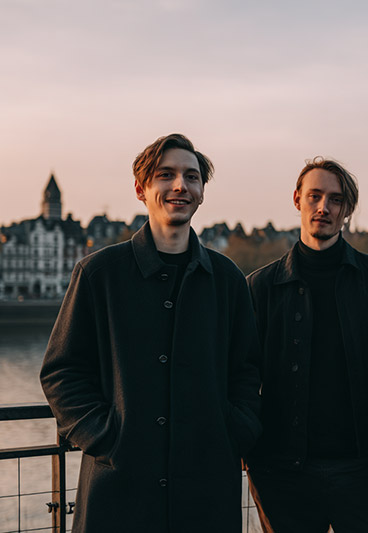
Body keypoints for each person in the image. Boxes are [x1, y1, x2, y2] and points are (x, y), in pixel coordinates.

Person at [39, 133, 262, 532]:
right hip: (119, 490)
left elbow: (247, 371)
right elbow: (61, 372)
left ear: (201, 193)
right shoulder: (98, 274)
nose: (180, 185)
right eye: (166, 175)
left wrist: (234, 433)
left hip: (206, 490)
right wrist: (107, 439)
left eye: (192, 177)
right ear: (141, 189)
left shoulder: (228, 279)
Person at [246, 157, 368, 533]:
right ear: (297, 199)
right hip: (281, 472)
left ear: (347, 210)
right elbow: (240, 373)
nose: (324, 207)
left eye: (335, 199)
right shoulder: (259, 287)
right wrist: (246, 445)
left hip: (365, 470)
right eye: (315, 196)